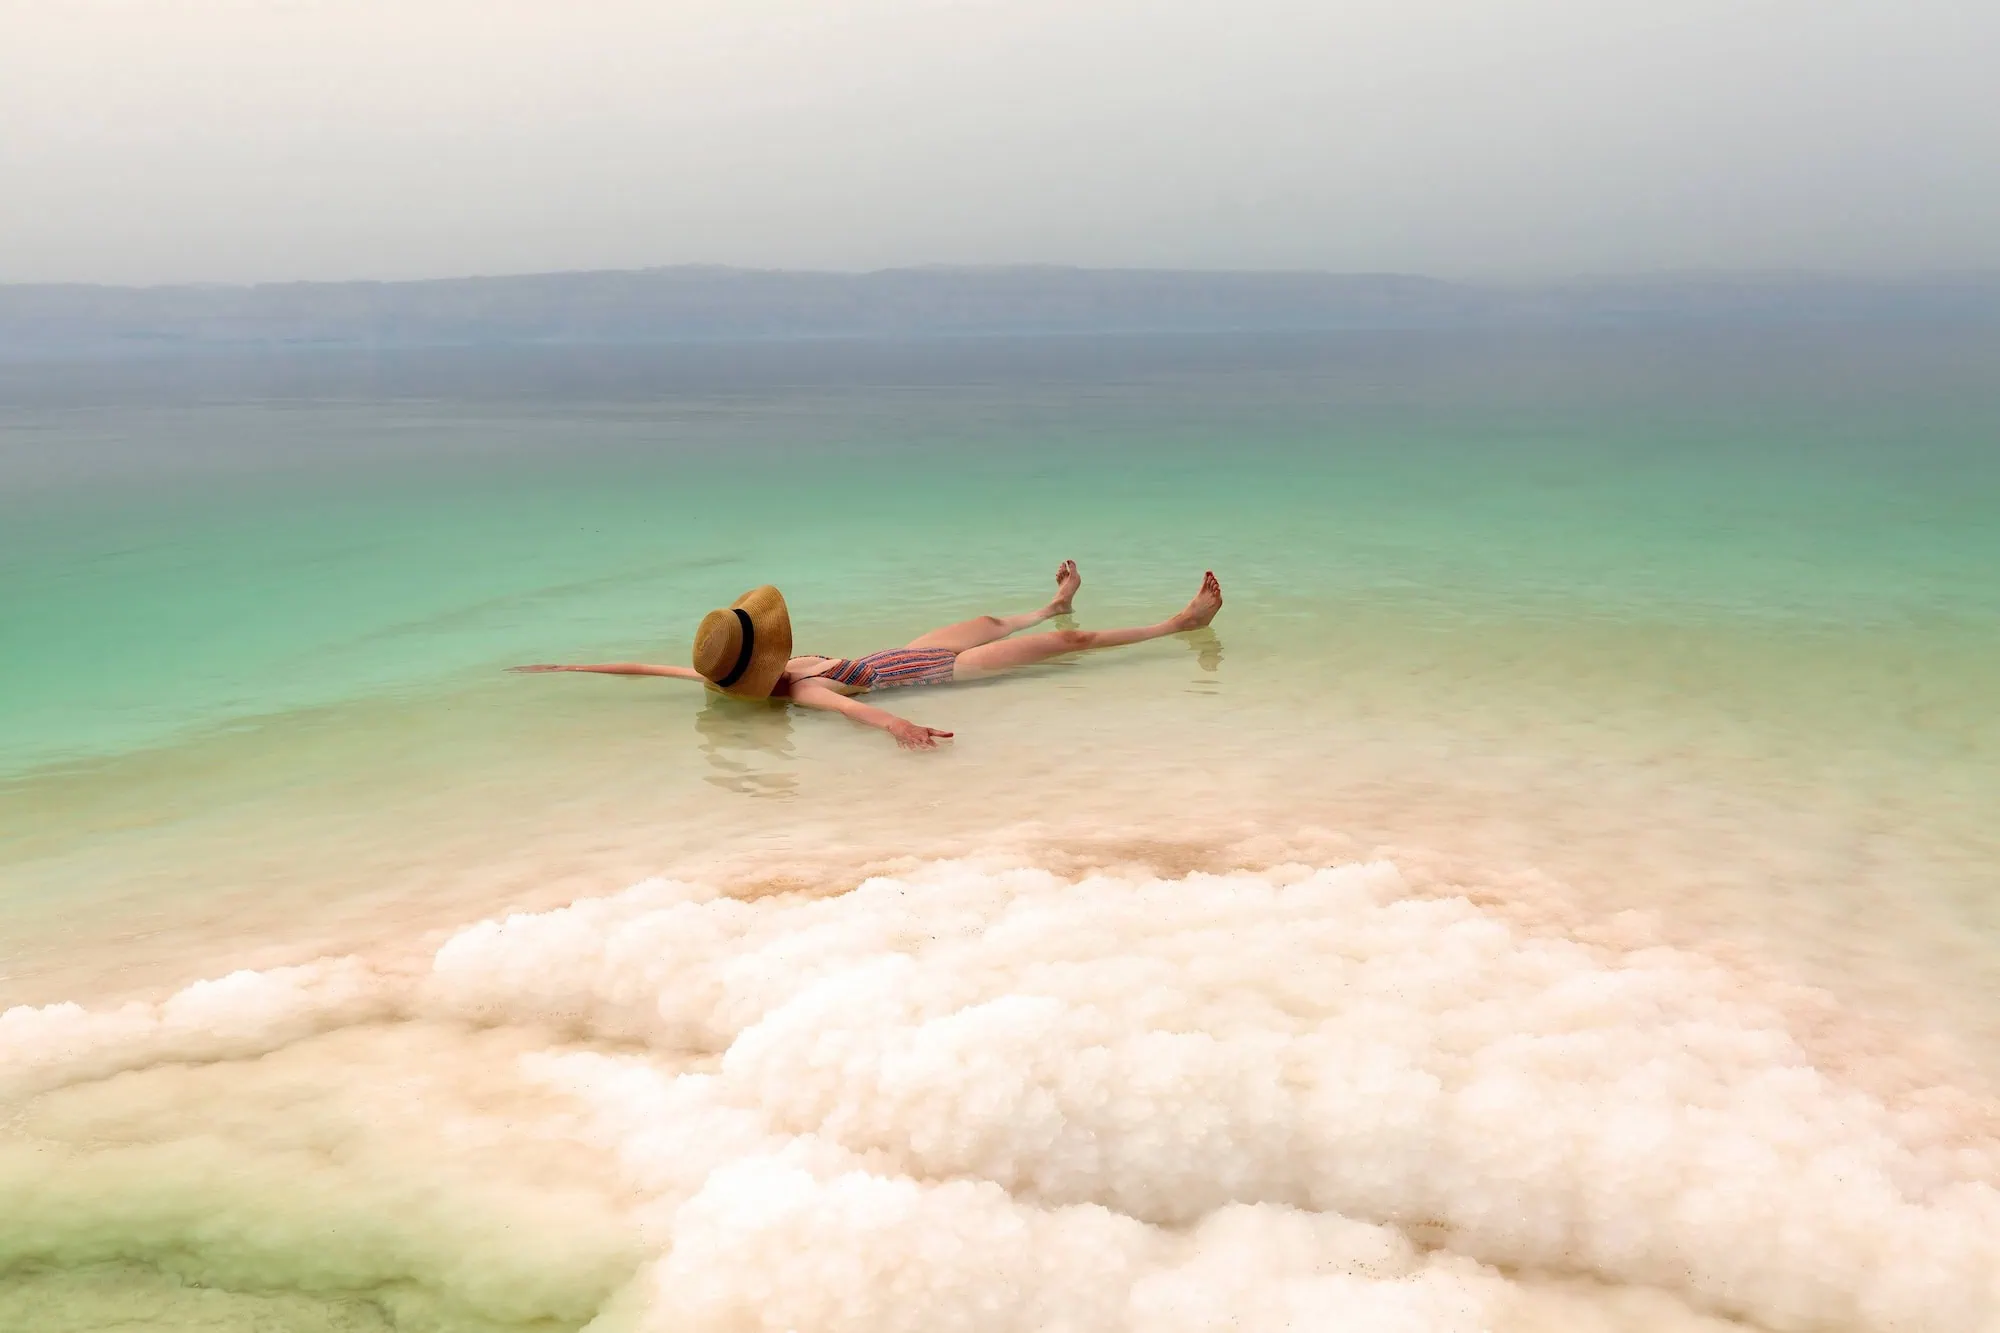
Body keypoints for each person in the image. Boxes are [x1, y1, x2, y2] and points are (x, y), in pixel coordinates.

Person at [511, 562, 1223, 750]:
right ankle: (1180, 623)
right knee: (1064, 651)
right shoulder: (793, 693)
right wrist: (901, 729)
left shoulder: (712, 674)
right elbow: (850, 708)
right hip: (932, 674)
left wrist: (568, 666)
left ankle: (1050, 602)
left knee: (989, 617)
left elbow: (645, 668)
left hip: (894, 654)